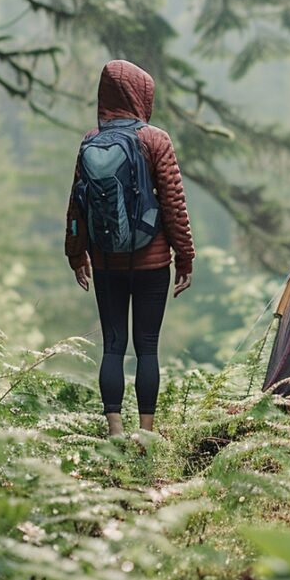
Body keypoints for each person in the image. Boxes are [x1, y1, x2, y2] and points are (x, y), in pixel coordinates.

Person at [65, 60, 194, 437]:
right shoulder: (155, 139)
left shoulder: (90, 141)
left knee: (113, 344)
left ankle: (115, 430)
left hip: (105, 260)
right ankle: (147, 432)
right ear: (140, 96)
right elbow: (173, 203)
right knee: (147, 346)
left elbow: (77, 204)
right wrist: (185, 256)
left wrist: (77, 254)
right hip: (151, 260)